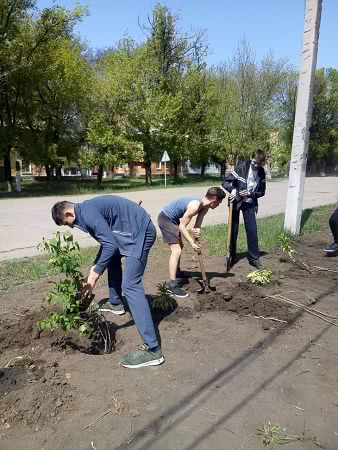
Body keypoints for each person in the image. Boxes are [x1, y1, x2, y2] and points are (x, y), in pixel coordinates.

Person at [51, 195, 164, 369]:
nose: (71, 227)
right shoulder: (85, 211)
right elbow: (107, 245)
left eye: (68, 224)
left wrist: (94, 275)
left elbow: (110, 244)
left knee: (131, 285)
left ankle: (153, 350)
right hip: (128, 230)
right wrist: (94, 269)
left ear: (68, 213)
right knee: (111, 259)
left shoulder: (87, 214)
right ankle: (116, 303)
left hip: (140, 232)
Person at [157, 187, 226, 298]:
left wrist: (197, 230)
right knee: (176, 250)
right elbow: (182, 227)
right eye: (219, 202)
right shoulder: (195, 206)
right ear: (214, 200)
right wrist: (192, 243)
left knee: (180, 245)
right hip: (166, 219)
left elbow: (197, 225)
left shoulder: (205, 207)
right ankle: (172, 285)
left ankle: (178, 272)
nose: (219, 205)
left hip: (174, 220)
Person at [222, 149, 266, 269]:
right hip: (235, 201)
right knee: (233, 229)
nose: (256, 166)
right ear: (252, 159)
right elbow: (225, 183)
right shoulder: (242, 166)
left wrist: (251, 194)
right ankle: (231, 255)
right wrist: (233, 190)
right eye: (254, 163)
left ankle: (253, 258)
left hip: (249, 203)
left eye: (259, 164)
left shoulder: (262, 172)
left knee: (252, 230)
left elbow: (262, 192)